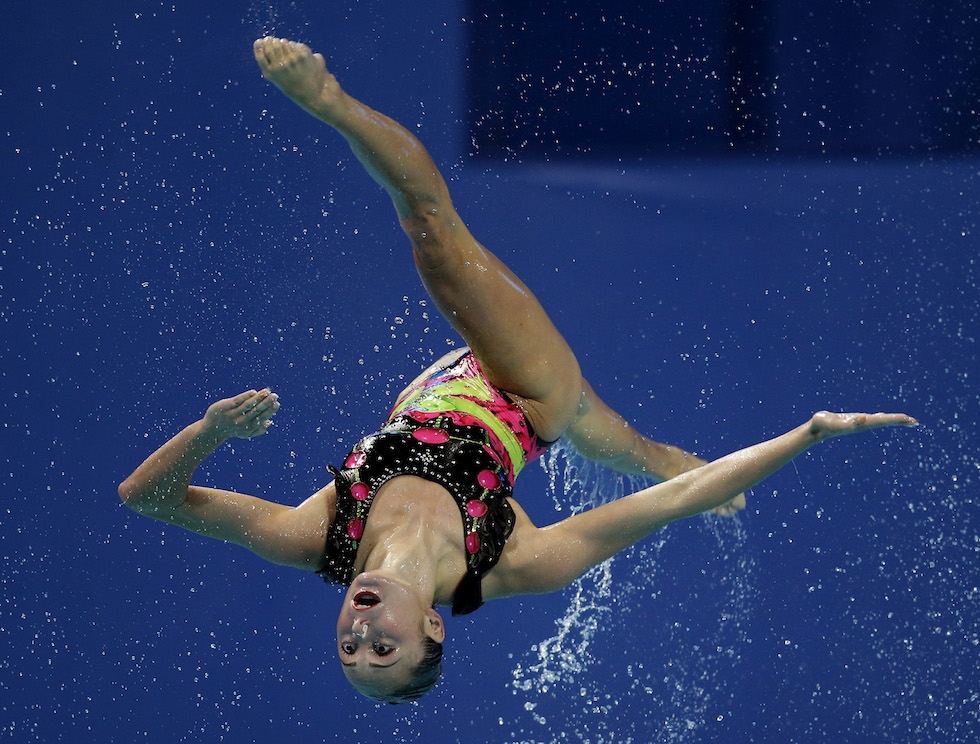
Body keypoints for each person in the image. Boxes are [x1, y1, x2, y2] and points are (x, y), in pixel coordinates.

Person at [118, 36, 917, 704]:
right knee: (433, 234)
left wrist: (210, 431)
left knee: (603, 436)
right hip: (526, 392)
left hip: (443, 390)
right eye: (384, 653)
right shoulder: (513, 566)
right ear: (432, 628)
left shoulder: (316, 537)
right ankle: (329, 99)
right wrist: (809, 433)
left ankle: (644, 440)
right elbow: (665, 509)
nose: (361, 637)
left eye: (349, 654)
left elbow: (146, 499)